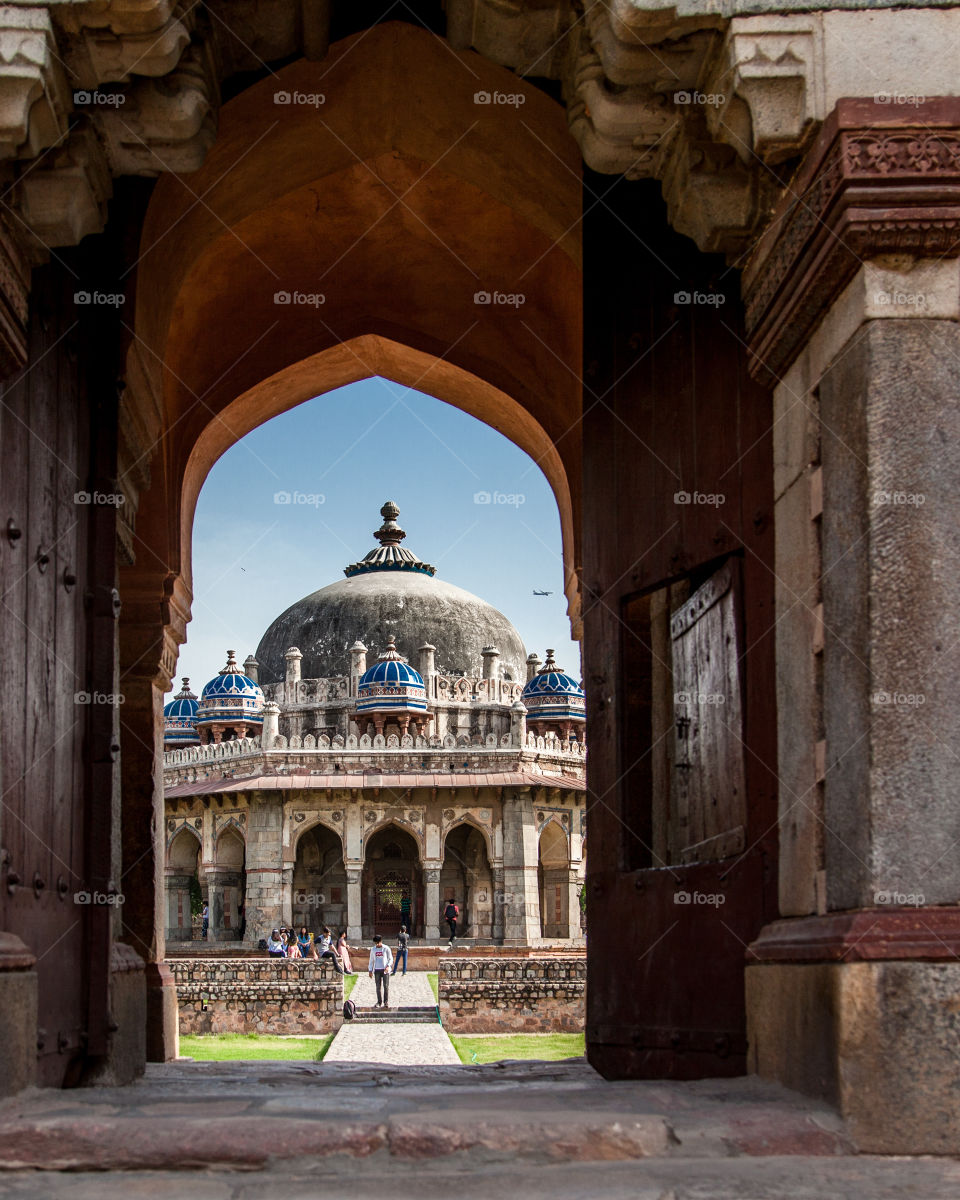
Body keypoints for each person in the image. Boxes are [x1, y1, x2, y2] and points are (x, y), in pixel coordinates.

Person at [368, 935, 393, 1008]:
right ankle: (379, 1001)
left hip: (385, 969)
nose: (376, 945)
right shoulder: (373, 949)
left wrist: (388, 966)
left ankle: (386, 1001)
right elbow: (371, 960)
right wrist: (370, 970)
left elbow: (390, 958)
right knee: (378, 987)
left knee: (386, 986)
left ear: (381, 941)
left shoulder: (386, 948)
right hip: (377, 969)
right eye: (375, 943)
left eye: (377, 943)